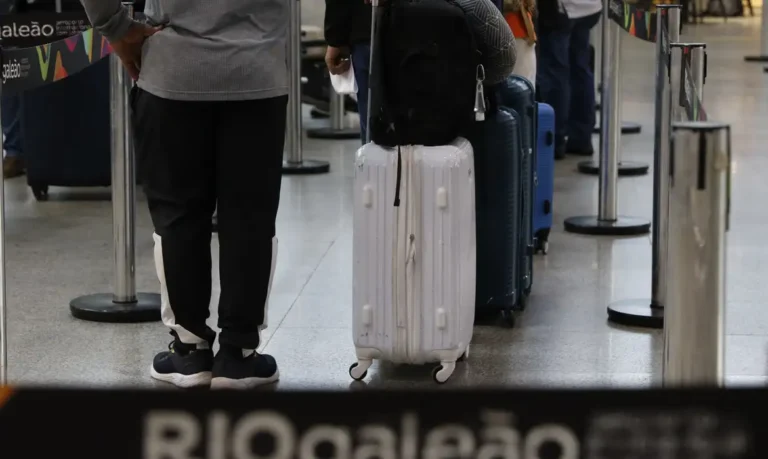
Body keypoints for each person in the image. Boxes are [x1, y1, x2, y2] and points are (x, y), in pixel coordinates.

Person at [78, 0, 287, 389]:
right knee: (250, 217)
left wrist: (115, 26)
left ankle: (189, 351)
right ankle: (239, 353)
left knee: (177, 214)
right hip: (257, 71)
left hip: (171, 69)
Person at [324, 0, 516, 143]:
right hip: (452, 25)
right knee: (461, 136)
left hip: (377, 28)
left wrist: (336, 36)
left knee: (382, 140)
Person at [536, 0, 601, 160]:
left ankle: (554, 140)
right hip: (590, 7)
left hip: (561, 9)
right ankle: (581, 137)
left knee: (555, 72)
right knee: (581, 69)